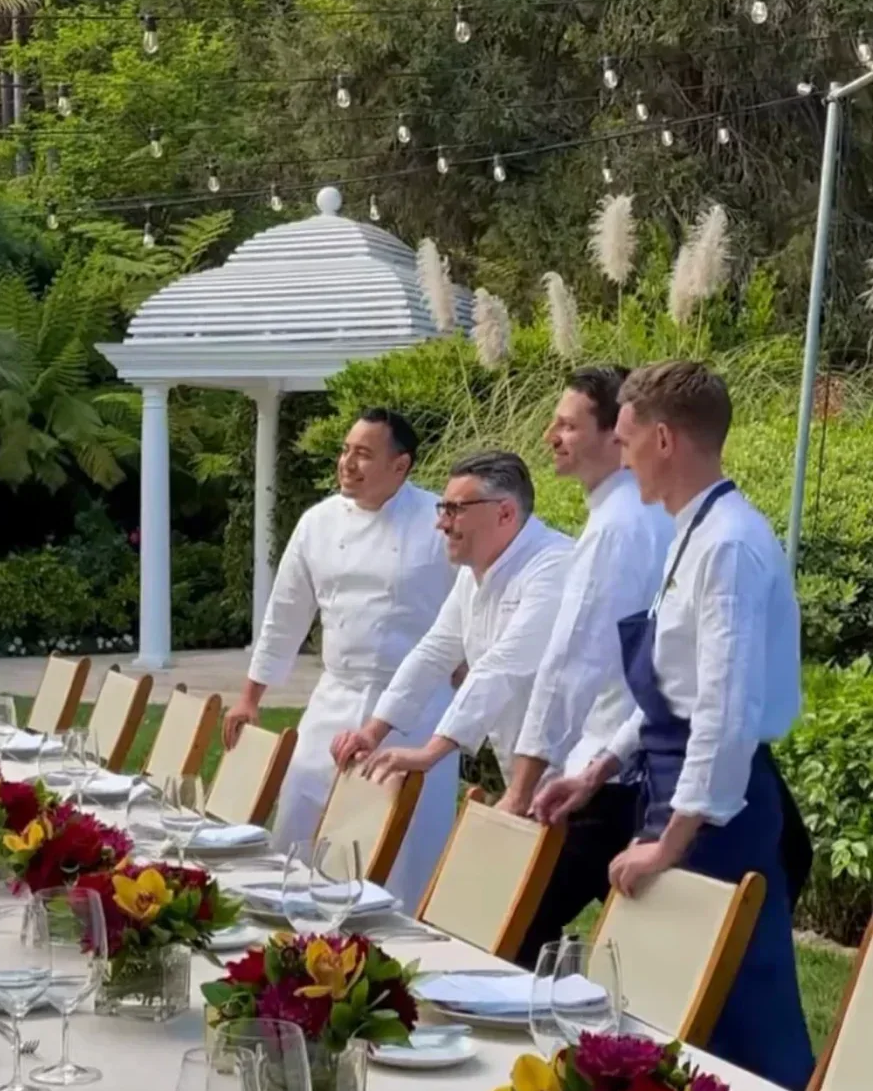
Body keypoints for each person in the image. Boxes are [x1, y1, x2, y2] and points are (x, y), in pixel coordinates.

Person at [535, 361, 814, 1091]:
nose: (621, 458)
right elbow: (671, 687)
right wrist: (597, 766)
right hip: (675, 794)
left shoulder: (726, 545)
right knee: (666, 1011)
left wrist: (669, 842)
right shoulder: (692, 532)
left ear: (662, 439)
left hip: (717, 815)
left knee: (730, 1018)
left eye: (625, 442)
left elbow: (721, 714)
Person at [222, 407, 459, 908]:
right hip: (335, 697)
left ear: (401, 466)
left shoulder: (442, 522)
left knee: (409, 843)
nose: (348, 463)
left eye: (364, 454)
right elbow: (284, 615)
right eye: (346, 451)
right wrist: (250, 697)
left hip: (416, 708)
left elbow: (473, 611)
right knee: (301, 819)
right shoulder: (318, 523)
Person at [498, 367, 673, 968]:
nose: (551, 435)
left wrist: (521, 789)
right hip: (622, 770)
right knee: (635, 959)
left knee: (505, 932)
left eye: (569, 425)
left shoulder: (620, 527)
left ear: (616, 434)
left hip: (614, 782)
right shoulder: (637, 515)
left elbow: (570, 663)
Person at [332, 451, 572, 797]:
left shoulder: (555, 567)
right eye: (442, 508)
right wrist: (372, 732)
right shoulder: (475, 571)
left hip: (590, 783)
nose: (442, 523)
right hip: (533, 780)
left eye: (456, 509)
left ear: (505, 512)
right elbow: (434, 652)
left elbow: (502, 667)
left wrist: (432, 752)